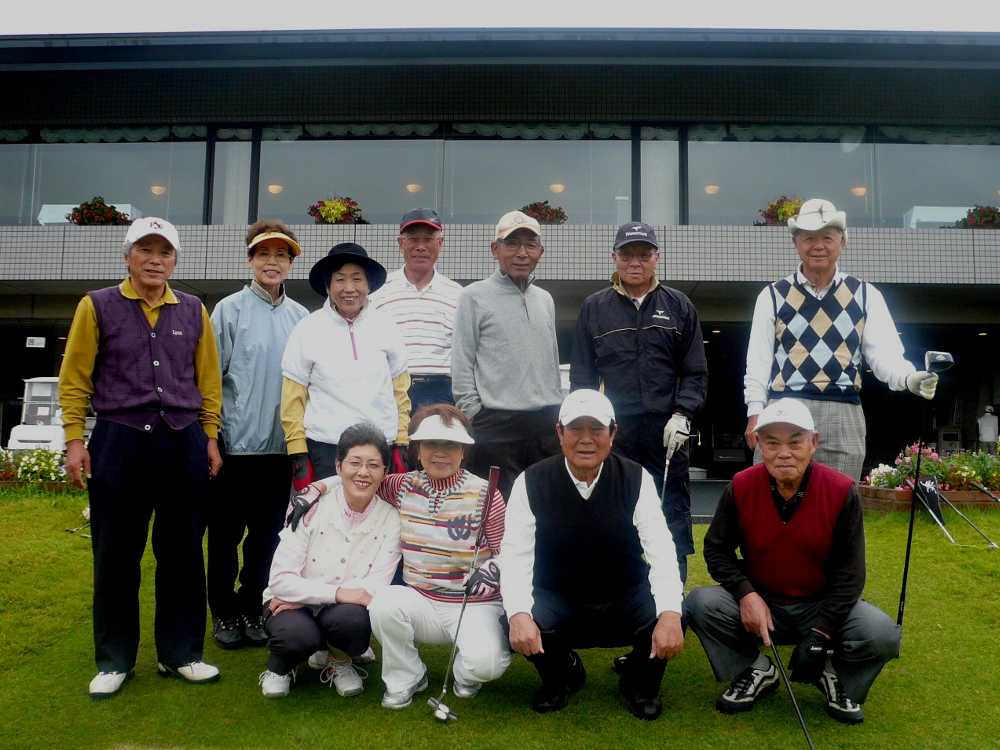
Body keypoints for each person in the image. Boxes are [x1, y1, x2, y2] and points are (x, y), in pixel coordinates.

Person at [59, 217, 223, 698]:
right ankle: (115, 659)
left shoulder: (193, 309)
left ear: (175, 260)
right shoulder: (95, 306)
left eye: (165, 252)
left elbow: (207, 381)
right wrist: (74, 439)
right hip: (119, 439)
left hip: (182, 439)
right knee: (115, 553)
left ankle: (181, 653)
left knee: (183, 552)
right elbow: (75, 378)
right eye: (146, 250)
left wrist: (209, 435)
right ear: (127, 256)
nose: (155, 260)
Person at [684, 398, 900, 725]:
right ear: (759, 445)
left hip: (820, 602)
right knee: (701, 603)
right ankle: (755, 669)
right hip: (763, 600)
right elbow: (716, 550)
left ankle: (834, 674)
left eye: (795, 442)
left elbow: (851, 574)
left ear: (814, 443)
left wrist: (821, 632)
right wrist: (746, 594)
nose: (783, 453)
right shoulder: (741, 486)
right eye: (772, 443)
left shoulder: (841, 490)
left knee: (880, 632)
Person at [501, 389, 685, 720]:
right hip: (557, 595)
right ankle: (562, 674)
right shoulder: (530, 481)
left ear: (612, 434)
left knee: (669, 611)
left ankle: (639, 682)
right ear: (559, 433)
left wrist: (671, 612)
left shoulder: (636, 478)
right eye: (575, 428)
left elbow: (661, 548)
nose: (586, 439)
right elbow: (515, 555)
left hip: (624, 593)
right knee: (514, 616)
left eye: (597, 429)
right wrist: (518, 614)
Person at [743, 198, 940, 480]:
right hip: (784, 408)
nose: (818, 246)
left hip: (843, 411)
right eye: (809, 238)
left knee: (840, 500)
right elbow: (758, 362)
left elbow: (885, 355)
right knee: (774, 499)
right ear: (795, 243)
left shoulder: (865, 294)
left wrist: (909, 378)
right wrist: (755, 411)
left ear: (843, 242)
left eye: (827, 237)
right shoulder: (772, 295)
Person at [570, 222, 708, 583]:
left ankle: (672, 595)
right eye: (627, 254)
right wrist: (588, 428)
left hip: (667, 430)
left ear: (656, 257)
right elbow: (582, 379)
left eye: (644, 254)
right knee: (616, 508)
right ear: (614, 257)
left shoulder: (679, 305)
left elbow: (695, 372)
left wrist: (683, 414)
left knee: (671, 509)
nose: (635, 262)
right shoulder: (594, 307)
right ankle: (623, 592)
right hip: (617, 432)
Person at [206, 220, 309, 650]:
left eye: (281, 255)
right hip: (233, 449)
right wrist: (211, 436)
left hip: (280, 450)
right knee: (224, 538)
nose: (272, 261)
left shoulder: (301, 318)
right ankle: (223, 613)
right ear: (250, 259)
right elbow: (210, 380)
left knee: (267, 539)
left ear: (290, 263)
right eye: (264, 253)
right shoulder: (228, 310)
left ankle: (252, 606)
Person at [367, 403, 510, 709]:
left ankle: (466, 672)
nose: (440, 453)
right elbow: (359, 479)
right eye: (431, 444)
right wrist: (317, 489)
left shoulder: (487, 494)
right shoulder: (402, 485)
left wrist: (492, 571)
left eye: (451, 445)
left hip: (472, 604)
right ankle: (407, 676)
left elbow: (506, 552)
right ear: (418, 450)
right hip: (420, 600)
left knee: (486, 666)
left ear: (463, 451)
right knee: (383, 604)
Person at [257, 423, 400, 699]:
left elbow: (375, 586)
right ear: (338, 466)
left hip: (337, 608)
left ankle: (338, 659)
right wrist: (336, 594)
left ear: (385, 471)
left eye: (373, 465)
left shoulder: (391, 517)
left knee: (353, 621)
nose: (363, 472)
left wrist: (317, 597)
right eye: (354, 463)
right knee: (297, 636)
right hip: (291, 604)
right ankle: (280, 666)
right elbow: (280, 581)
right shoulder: (309, 507)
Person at [451, 210, 563, 498]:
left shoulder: (545, 299)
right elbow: (462, 361)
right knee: (496, 508)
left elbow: (551, 360)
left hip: (545, 423)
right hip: (495, 424)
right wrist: (474, 414)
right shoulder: (473, 296)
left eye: (530, 244)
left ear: (540, 251)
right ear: (495, 249)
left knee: (544, 504)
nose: (522, 253)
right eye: (512, 243)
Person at [281, 243, 411, 489]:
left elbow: (400, 392)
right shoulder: (307, 328)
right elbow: (292, 397)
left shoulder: (387, 326)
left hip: (380, 447)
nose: (349, 288)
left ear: (368, 285)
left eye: (357, 279)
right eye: (340, 279)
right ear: (328, 286)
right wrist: (298, 451)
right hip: (326, 448)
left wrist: (401, 441)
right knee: (327, 513)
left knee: (379, 511)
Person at [369, 208, 463, 413]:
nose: (421, 247)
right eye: (413, 239)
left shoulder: (459, 295)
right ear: (400, 243)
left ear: (440, 243)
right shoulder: (377, 292)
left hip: (444, 394)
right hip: (391, 391)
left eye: (428, 239)